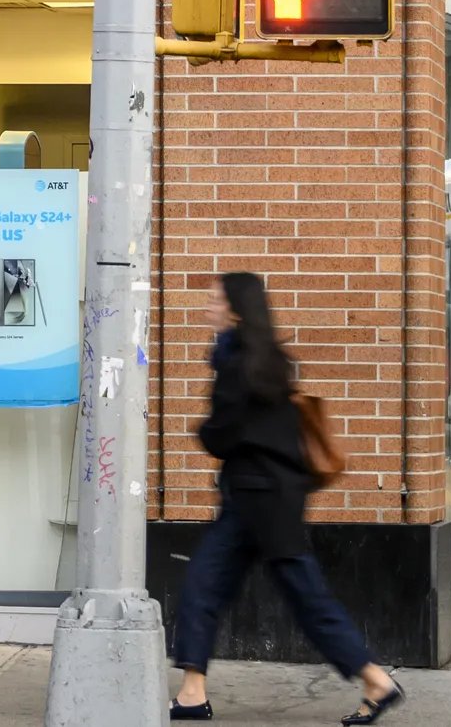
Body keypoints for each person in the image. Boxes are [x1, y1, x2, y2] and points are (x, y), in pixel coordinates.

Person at [169, 272, 405, 726]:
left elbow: (221, 434)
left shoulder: (236, 362)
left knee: (301, 597)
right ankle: (192, 693)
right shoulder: (268, 358)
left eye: (215, 300)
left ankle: (375, 679)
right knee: (207, 586)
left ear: (236, 310)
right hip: (267, 498)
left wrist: (202, 430)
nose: (207, 308)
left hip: (258, 502)